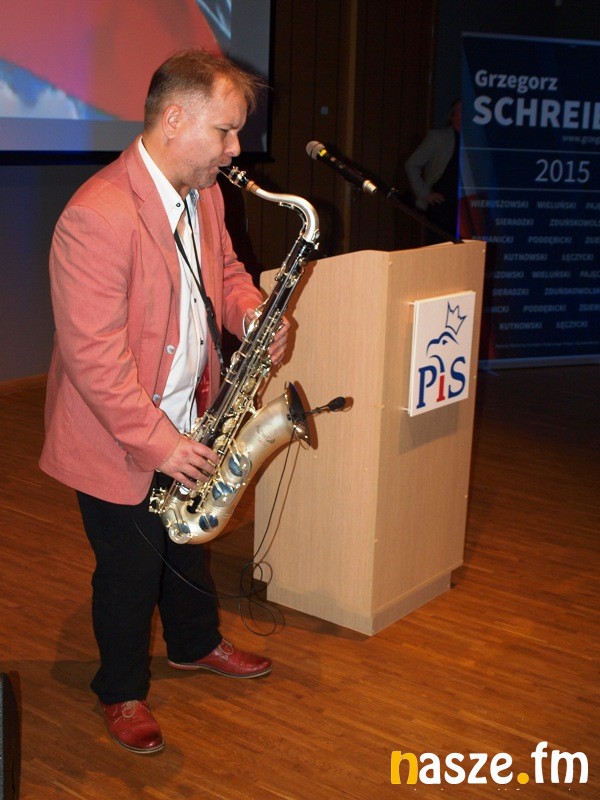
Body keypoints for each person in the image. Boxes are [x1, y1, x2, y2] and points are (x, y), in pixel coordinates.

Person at [39, 49, 290, 755]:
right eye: (226, 131)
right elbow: (94, 359)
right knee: (130, 569)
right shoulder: (97, 214)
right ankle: (120, 690)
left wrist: (251, 313)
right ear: (175, 119)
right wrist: (161, 444)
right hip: (117, 435)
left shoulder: (204, 195)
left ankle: (194, 642)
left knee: (187, 545)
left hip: (192, 412)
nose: (236, 149)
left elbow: (227, 272)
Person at [404, 98, 461, 242]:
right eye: (460, 111)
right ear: (452, 116)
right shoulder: (438, 137)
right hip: (441, 204)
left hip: (465, 205)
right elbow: (412, 164)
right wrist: (424, 193)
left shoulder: (475, 142)